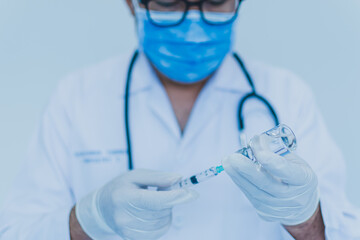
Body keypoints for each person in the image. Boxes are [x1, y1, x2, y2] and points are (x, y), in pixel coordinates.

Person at [1, 0, 359, 239]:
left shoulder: (287, 94)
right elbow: (17, 230)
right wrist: (89, 219)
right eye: (170, 2)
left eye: (215, 1)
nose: (193, 25)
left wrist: (309, 219)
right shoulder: (76, 97)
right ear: (131, 3)